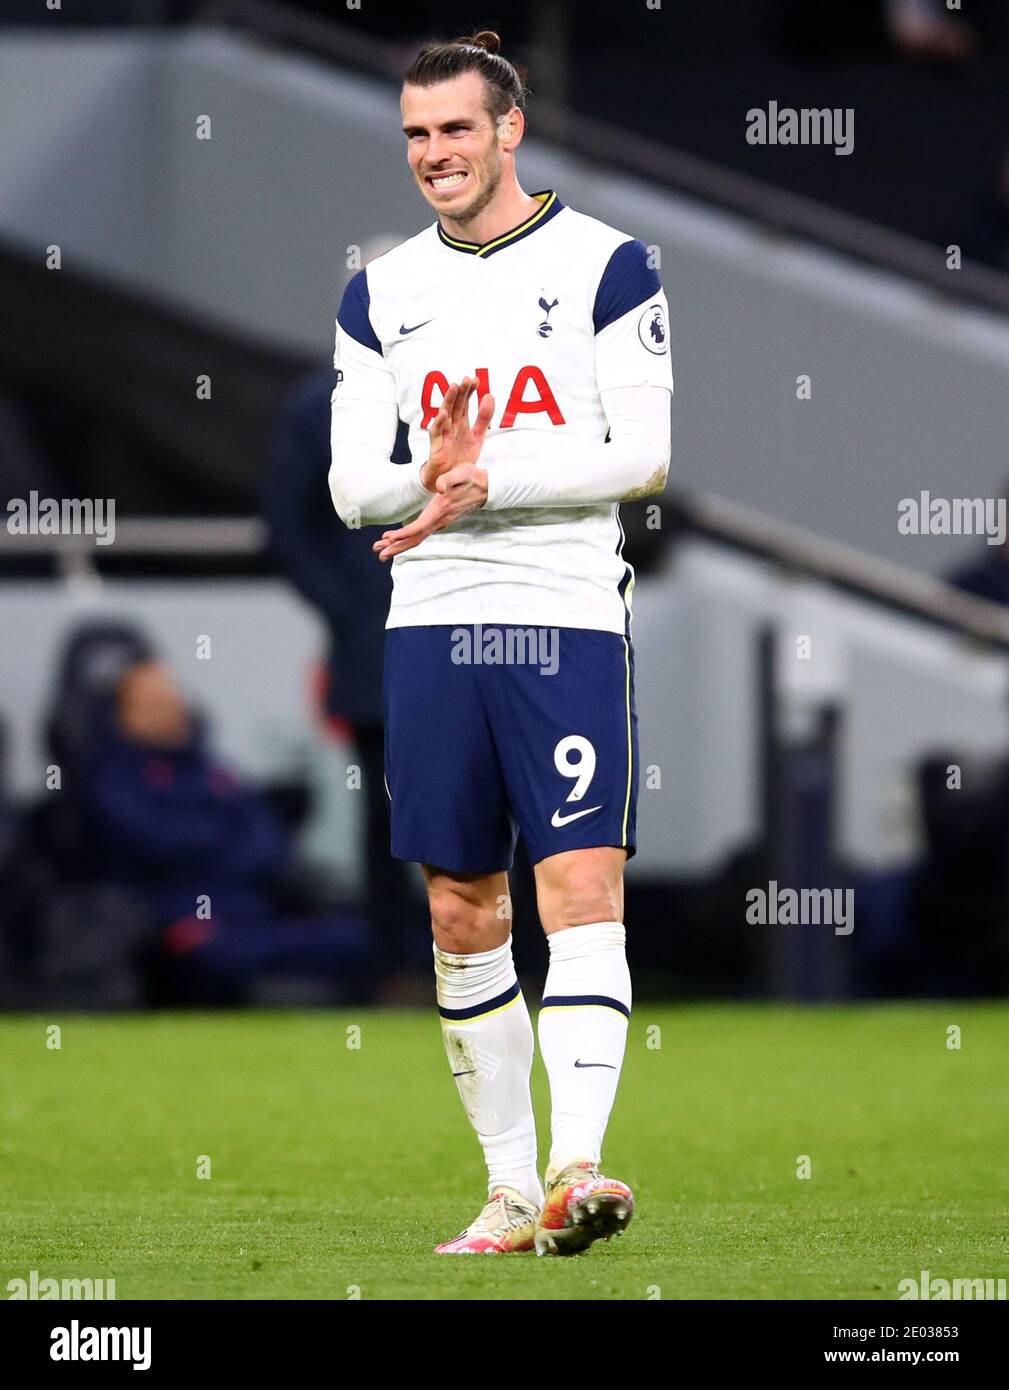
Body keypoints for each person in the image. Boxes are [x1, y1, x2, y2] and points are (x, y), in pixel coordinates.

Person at [328, 31, 672, 1255]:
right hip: (429, 622)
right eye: (416, 134)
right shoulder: (380, 288)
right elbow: (344, 484)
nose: (434, 154)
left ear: (508, 130)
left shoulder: (607, 267)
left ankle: (580, 1166)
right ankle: (511, 1192)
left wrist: (493, 476)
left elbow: (643, 457)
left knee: (579, 886)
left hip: (563, 613)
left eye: (456, 130)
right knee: (460, 913)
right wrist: (422, 476)